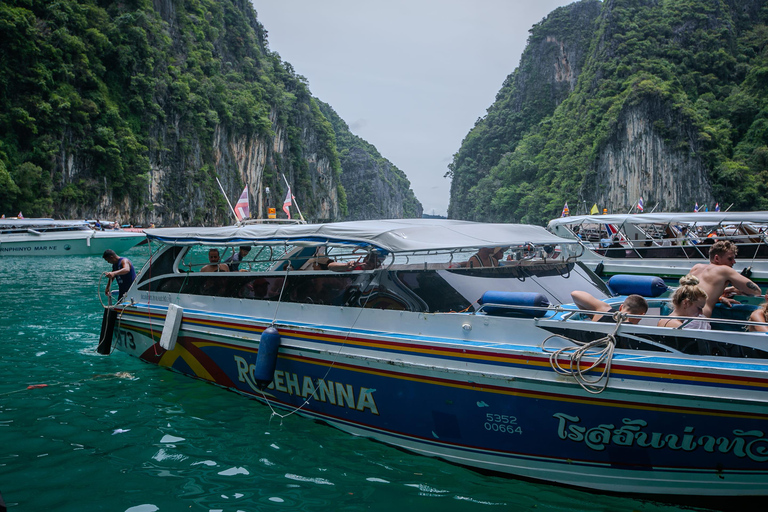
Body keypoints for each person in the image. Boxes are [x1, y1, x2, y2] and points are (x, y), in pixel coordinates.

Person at [689, 240, 762, 317]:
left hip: (678, 316)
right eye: (730, 259)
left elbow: (698, 294)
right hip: (697, 319)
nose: (734, 262)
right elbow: (757, 291)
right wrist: (733, 289)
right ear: (716, 258)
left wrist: (719, 298)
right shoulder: (724, 270)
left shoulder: (696, 268)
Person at [570, 291, 648, 324]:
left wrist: (593, 315)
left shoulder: (603, 310)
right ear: (641, 315)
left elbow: (575, 294)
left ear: (621, 307)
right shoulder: (634, 334)